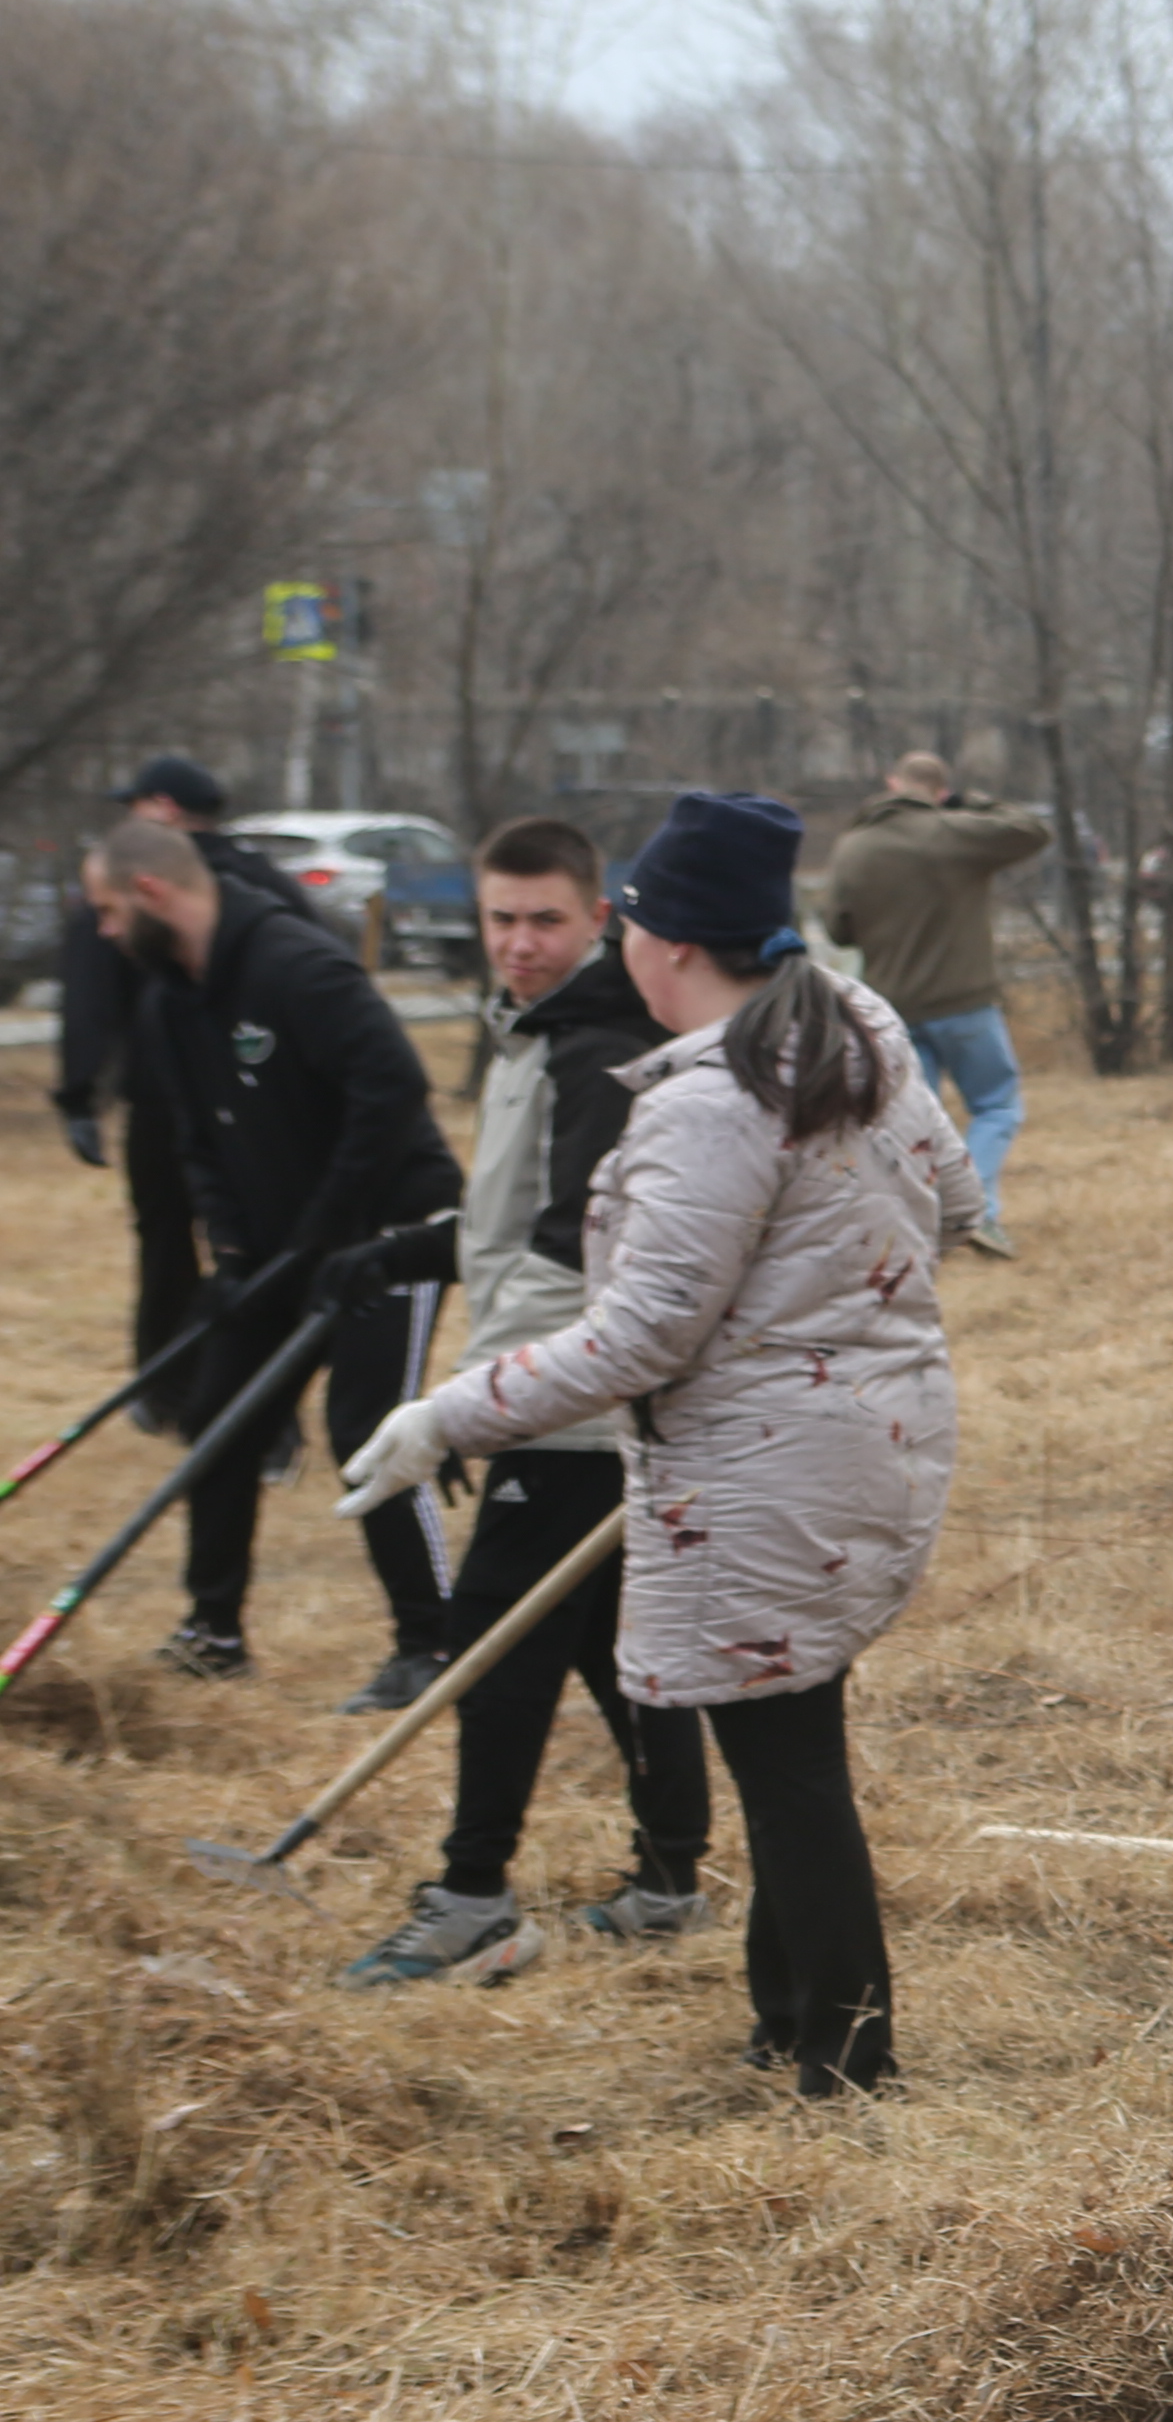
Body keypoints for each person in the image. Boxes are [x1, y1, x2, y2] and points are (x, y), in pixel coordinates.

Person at [339, 795, 969, 2094]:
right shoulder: (859, 1032)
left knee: (786, 1764)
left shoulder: (716, 1101)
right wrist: (832, 1316)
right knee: (786, 1738)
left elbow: (637, 1341)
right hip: (874, 1437)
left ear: (659, 940)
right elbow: (957, 1203)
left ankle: (849, 2061)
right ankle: (785, 2017)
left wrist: (439, 1415)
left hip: (767, 1466)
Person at [333, 819, 712, 1990]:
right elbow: (511, 1227)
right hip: (558, 1395)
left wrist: (472, 1406)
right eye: (501, 918)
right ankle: (669, 1881)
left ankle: (474, 1900)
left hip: (566, 1403)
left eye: (546, 918)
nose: (519, 941)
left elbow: (569, 1261)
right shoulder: (536, 1038)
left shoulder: (592, 1048)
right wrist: (410, 1251)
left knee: (493, 1639)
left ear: (599, 918)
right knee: (610, 1646)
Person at [73, 810, 462, 1701]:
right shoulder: (174, 998)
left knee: (367, 1430)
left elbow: (393, 1086)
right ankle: (213, 1630)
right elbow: (195, 1142)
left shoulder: (296, 966)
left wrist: (328, 1232)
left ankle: (429, 1643)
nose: (100, 931)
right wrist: (238, 1248)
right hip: (283, 1248)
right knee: (219, 1420)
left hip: (388, 1237)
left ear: (150, 893)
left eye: (103, 910)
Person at [55, 754, 313, 1386]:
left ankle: (164, 1380)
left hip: (162, 1098)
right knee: (259, 1237)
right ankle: (264, 1385)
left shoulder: (129, 881)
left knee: (166, 1234)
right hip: (259, 1095)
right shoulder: (267, 881)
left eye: (136, 806)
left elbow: (90, 997)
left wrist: (80, 1094)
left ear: (165, 809)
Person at [817, 752, 1054, 1253]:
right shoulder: (954, 831)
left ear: (890, 783)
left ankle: (917, 1221)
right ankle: (978, 1211)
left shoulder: (853, 847)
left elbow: (838, 928)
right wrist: (972, 803)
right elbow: (1031, 829)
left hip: (893, 1009)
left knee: (913, 1121)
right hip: (965, 1002)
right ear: (941, 792)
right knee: (996, 1105)